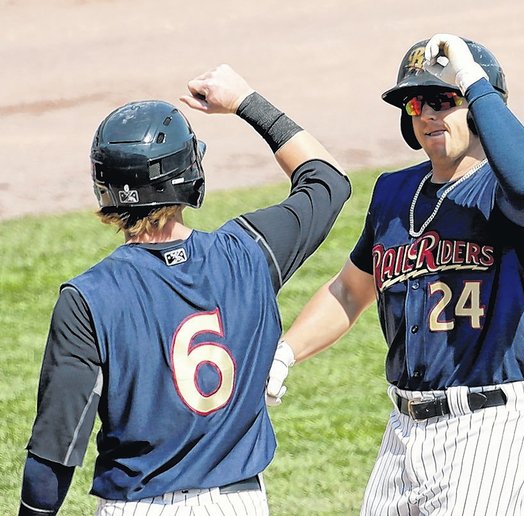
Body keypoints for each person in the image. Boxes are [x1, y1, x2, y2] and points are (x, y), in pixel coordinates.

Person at [18, 64, 350, 515]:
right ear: (189, 174)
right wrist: (244, 101)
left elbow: (54, 455)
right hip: (240, 504)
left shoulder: (88, 298)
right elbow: (327, 181)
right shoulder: (247, 255)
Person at [266, 34, 524, 515]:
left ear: (483, 106)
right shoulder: (393, 194)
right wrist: (286, 353)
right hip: (405, 433)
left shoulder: (507, 195)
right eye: (416, 102)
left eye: (445, 100)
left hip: (493, 430)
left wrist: (473, 80)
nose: (427, 113)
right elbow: (349, 289)